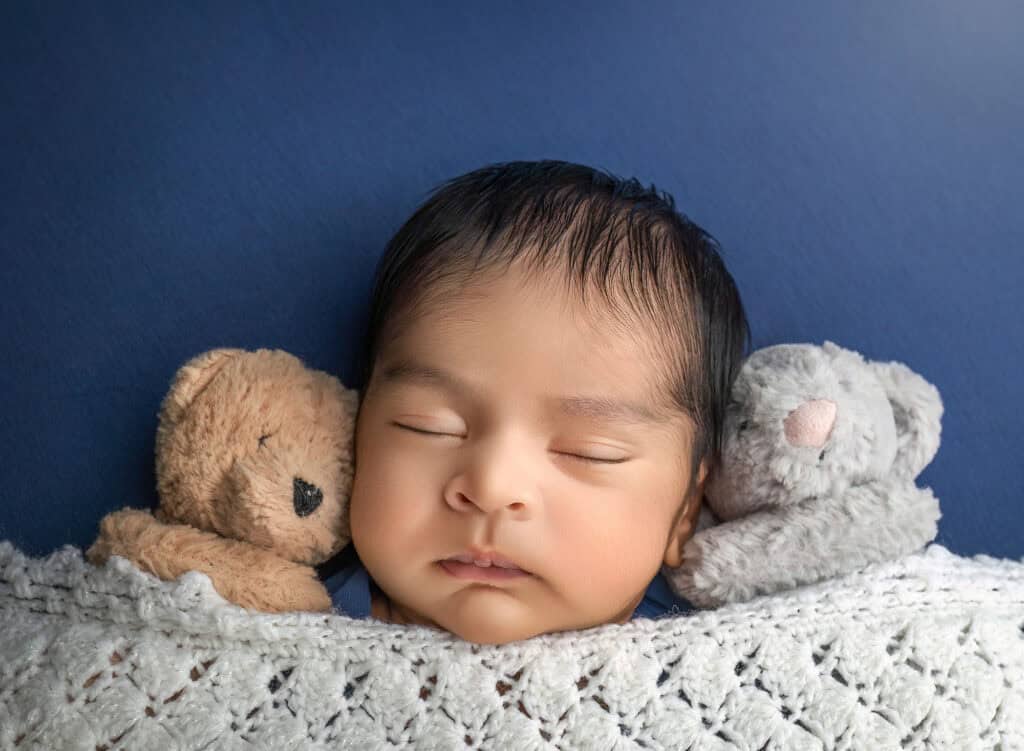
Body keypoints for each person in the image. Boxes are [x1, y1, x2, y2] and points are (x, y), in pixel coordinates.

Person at [320, 160, 750, 645]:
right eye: (430, 426)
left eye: (587, 451)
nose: (492, 486)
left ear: (687, 509)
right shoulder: (284, 630)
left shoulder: (714, 668)